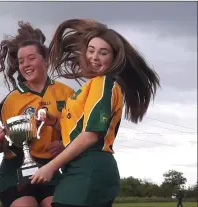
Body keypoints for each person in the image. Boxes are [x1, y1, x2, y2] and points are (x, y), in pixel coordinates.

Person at [30, 19, 161, 207]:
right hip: (79, 169)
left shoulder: (104, 83)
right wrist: (54, 122)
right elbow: (81, 127)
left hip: (90, 168)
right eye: (91, 50)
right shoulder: (92, 85)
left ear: (114, 58)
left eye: (103, 52)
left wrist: (51, 166)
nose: (94, 57)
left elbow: (91, 135)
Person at [0, 21, 74, 207]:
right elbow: (2, 147)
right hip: (16, 169)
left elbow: (78, 134)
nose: (25, 65)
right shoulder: (12, 99)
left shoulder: (66, 94)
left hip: (50, 168)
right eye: (21, 61)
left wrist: (64, 145)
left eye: (31, 58)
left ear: (45, 59)